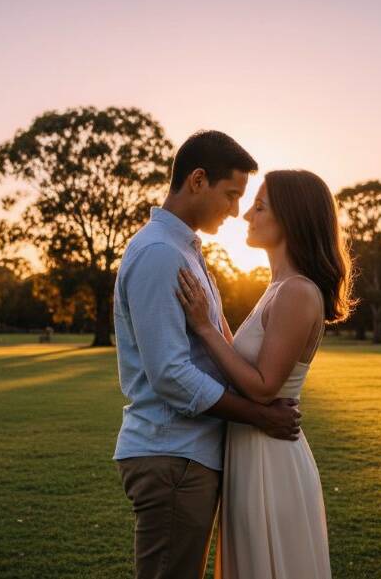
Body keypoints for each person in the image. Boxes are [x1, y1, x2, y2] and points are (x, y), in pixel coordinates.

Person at [113, 131, 302, 579]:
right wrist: (258, 415)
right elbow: (171, 374)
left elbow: (214, 347)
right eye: (231, 194)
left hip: (187, 455)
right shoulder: (161, 253)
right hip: (172, 455)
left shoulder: (184, 251)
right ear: (198, 180)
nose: (236, 210)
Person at [177, 169, 354, 579]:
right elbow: (245, 360)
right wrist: (214, 314)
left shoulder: (296, 291)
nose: (245, 216)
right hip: (251, 450)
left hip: (270, 459)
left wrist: (204, 326)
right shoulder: (277, 287)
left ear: (290, 219)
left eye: (259, 206)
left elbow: (262, 388)